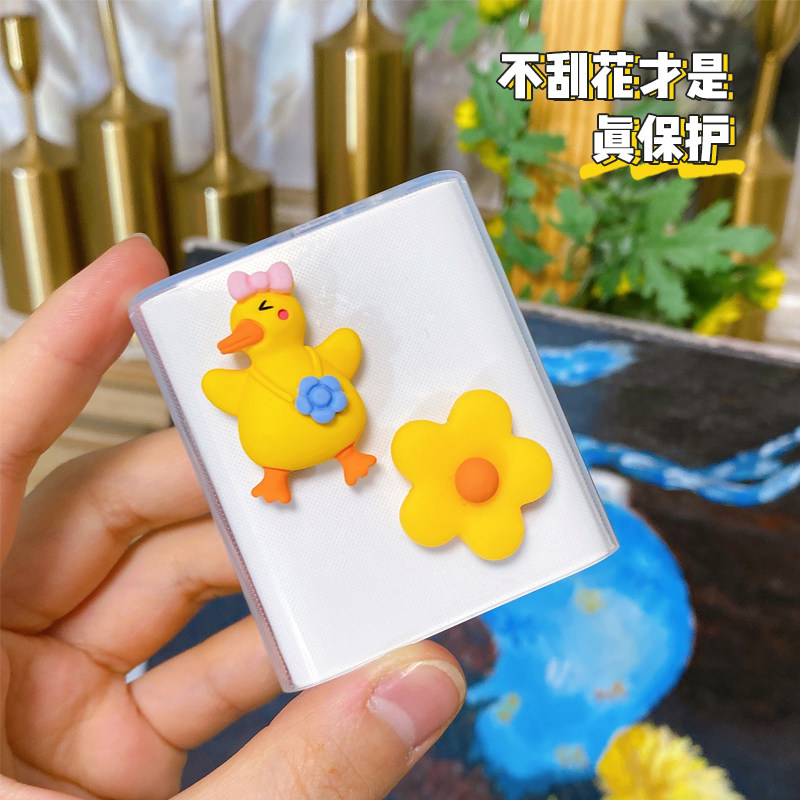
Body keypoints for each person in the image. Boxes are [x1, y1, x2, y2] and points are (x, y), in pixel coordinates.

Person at [0, 236, 465, 799]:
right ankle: (279, 473)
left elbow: (342, 349)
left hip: (343, 438)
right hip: (280, 457)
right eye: (253, 323)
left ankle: (345, 455)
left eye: (273, 315)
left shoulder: (315, 356)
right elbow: (220, 387)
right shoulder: (251, 376)